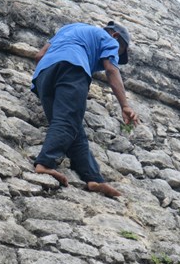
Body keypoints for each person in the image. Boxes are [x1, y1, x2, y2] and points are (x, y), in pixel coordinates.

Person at [31, 21, 139, 197]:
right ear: (116, 36)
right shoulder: (109, 39)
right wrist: (125, 105)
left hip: (43, 74)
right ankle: (44, 164)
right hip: (73, 68)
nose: (115, 56)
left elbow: (39, 55)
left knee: (71, 125)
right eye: (118, 53)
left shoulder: (69, 28)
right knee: (67, 121)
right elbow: (111, 69)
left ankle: (93, 178)